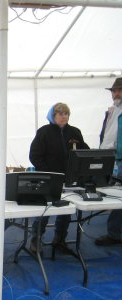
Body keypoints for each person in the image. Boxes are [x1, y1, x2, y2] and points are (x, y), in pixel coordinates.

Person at [29, 102, 89, 254]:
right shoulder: (44, 132)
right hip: (49, 179)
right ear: (53, 116)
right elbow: (35, 156)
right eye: (60, 114)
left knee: (66, 210)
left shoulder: (75, 132)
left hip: (69, 179)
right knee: (45, 210)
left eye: (66, 113)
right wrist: (48, 173)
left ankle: (60, 239)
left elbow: (84, 152)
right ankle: (35, 241)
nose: (63, 116)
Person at [95, 78, 122, 246]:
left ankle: (114, 233)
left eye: (119, 90)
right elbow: (107, 135)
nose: (115, 93)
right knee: (116, 195)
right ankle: (115, 232)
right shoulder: (112, 111)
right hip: (111, 158)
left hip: (118, 157)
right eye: (113, 91)